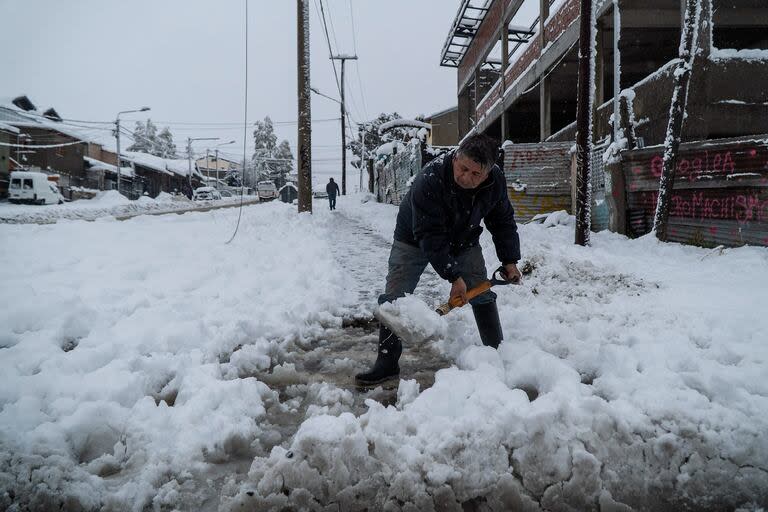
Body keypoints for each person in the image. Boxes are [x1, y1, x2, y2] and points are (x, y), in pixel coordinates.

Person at [355, 134, 522, 386]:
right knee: (395, 298)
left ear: (488, 173)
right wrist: (453, 276)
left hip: (464, 237)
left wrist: (509, 260)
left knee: (481, 292)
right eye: (463, 168)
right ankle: (386, 363)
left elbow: (502, 221)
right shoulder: (430, 179)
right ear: (456, 157)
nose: (466, 177)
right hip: (413, 237)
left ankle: (496, 352)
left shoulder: (495, 182)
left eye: (476, 174)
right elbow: (430, 235)